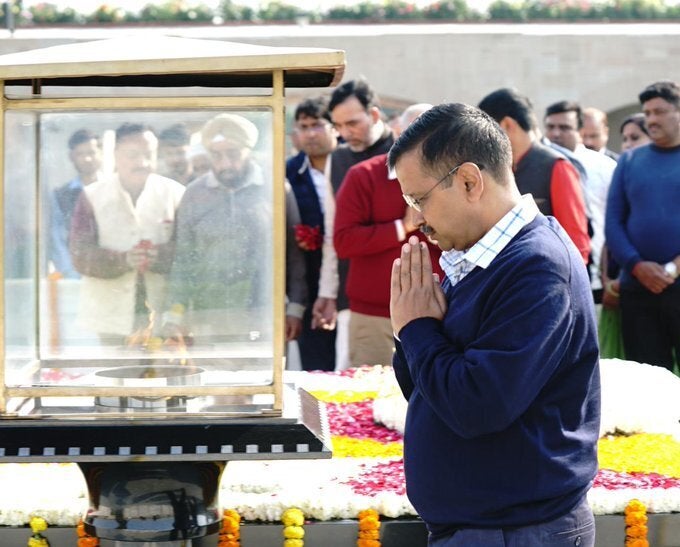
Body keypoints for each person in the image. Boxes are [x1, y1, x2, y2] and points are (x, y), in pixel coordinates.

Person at [388, 102, 600, 546]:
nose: (416, 219)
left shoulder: (537, 267)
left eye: (418, 199)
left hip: (517, 530)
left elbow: (476, 406)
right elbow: (429, 391)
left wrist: (418, 329)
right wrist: (413, 331)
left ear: (468, 181)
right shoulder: (479, 256)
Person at [164, 113, 306, 346]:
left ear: (248, 150)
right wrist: (174, 315)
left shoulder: (276, 190)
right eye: (217, 155)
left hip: (262, 317)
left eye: (233, 154)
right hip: (208, 317)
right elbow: (183, 261)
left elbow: (294, 255)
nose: (225, 163)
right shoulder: (193, 194)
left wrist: (295, 309)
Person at [333, 102, 441, 367]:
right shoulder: (363, 175)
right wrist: (400, 228)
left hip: (441, 310)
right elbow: (344, 242)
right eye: (413, 133)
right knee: (369, 401)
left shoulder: (450, 178)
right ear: (396, 131)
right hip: (375, 317)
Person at [69, 123, 185, 343]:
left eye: (148, 155)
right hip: (109, 314)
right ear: (115, 156)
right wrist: (122, 260)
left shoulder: (175, 193)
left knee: (162, 371)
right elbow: (79, 254)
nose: (142, 163)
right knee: (115, 374)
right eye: (132, 155)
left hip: (163, 312)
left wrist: (159, 256)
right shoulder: (92, 196)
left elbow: (189, 250)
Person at [314, 77, 395, 370]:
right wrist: (327, 292)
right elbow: (331, 231)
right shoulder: (337, 159)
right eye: (338, 127)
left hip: (402, 293)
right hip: (354, 294)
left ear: (374, 114)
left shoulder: (405, 153)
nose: (346, 133)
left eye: (353, 123)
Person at [605, 80, 680, 370]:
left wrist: (673, 267)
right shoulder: (630, 161)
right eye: (647, 113)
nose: (651, 120)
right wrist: (637, 266)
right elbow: (614, 222)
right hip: (638, 288)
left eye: (659, 111)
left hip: (677, 282)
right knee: (648, 376)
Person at [478, 88, 590, 264]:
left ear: (507, 125)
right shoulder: (496, 168)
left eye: (486, 132)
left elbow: (576, 244)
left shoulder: (556, 166)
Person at [544, 100, 617, 303]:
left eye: (565, 127)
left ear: (579, 130)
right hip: (552, 271)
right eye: (551, 127)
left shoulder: (604, 167)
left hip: (599, 274)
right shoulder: (537, 165)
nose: (556, 134)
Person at [286, 96, 338, 371]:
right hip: (308, 283)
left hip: (352, 276)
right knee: (318, 368)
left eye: (316, 125)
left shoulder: (350, 163)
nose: (309, 133)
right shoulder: (288, 173)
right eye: (303, 127)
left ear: (334, 127)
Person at [598, 112, 651, 359]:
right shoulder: (623, 173)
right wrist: (611, 279)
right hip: (627, 284)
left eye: (635, 137)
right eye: (625, 138)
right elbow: (613, 228)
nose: (628, 144)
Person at [49, 128, 102, 278]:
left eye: (91, 152)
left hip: (111, 273)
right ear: (71, 157)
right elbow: (57, 237)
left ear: (101, 153)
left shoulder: (115, 190)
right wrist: (71, 273)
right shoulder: (61, 195)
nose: (87, 159)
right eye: (81, 154)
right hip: (74, 275)